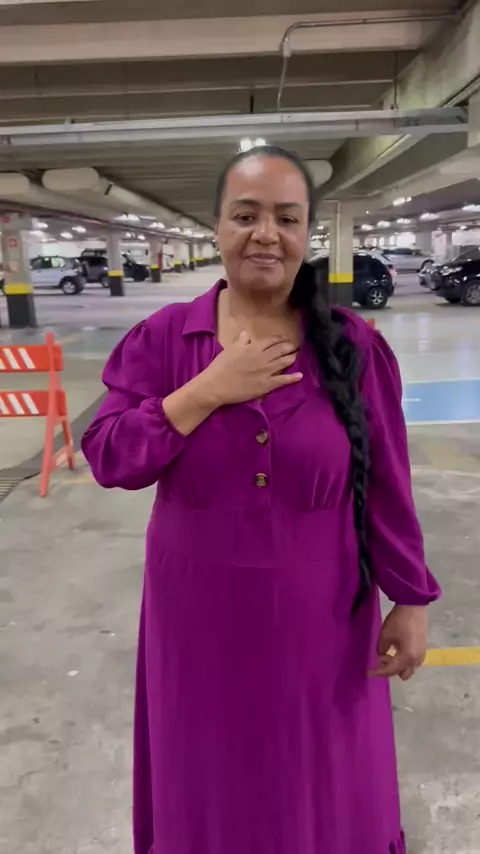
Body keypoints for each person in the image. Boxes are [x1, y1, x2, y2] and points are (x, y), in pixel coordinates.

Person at [82, 145, 441, 854]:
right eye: (245, 216)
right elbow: (109, 456)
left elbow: (387, 484)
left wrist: (411, 598)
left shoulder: (354, 347)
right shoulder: (165, 340)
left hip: (323, 613)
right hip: (197, 615)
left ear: (308, 232)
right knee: (209, 769)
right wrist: (205, 392)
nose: (265, 234)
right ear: (216, 227)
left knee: (323, 771)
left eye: (286, 217)